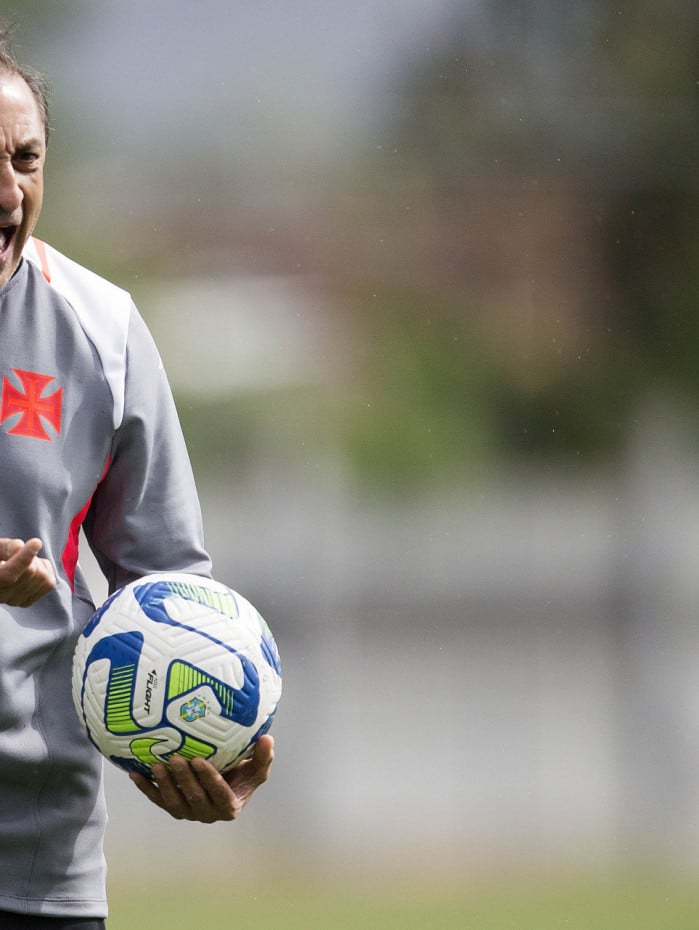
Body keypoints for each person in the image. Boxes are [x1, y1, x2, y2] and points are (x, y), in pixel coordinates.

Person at [0, 29, 274, 929]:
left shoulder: (100, 330)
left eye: (27, 159)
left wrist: (184, 746)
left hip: (34, 855)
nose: (9, 193)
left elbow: (164, 599)